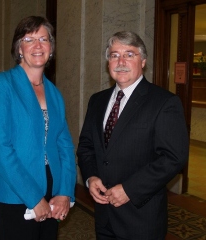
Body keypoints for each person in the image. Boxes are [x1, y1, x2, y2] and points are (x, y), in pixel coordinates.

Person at [77, 31, 189, 240]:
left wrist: (129, 189)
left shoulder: (164, 102)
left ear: (143, 61)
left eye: (129, 54)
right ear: (108, 62)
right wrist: (91, 176)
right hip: (104, 215)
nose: (121, 61)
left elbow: (174, 157)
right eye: (114, 55)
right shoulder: (97, 100)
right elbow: (86, 145)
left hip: (141, 217)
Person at [0, 16, 76, 240]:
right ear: (19, 48)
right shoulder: (0, 85)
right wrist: (33, 198)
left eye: (43, 39)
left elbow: (64, 145)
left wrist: (65, 191)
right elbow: (0, 149)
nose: (37, 45)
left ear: (51, 48)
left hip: (52, 186)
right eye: (29, 39)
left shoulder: (54, 92)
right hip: (14, 191)